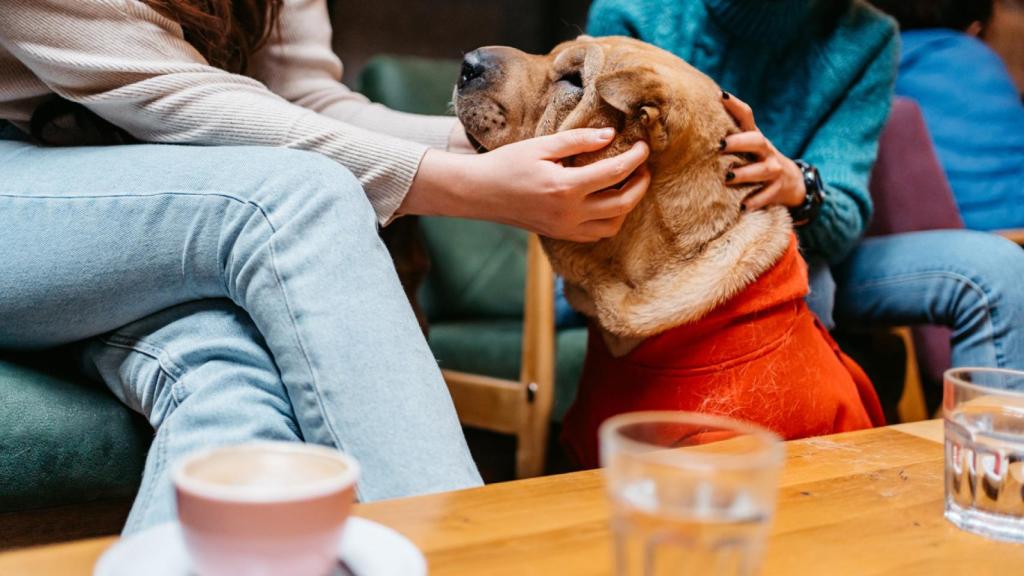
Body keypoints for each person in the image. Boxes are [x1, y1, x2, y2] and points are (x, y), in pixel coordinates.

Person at [0, 0, 652, 534]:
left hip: (143, 200)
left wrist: (494, 144)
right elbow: (171, 97)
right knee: (301, 198)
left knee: (232, 380)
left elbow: (304, 98)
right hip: (27, 186)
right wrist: (466, 185)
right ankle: (462, 555)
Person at [575, 0, 1024, 389]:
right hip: (670, 252)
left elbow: (843, 215)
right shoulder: (635, 12)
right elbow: (599, 182)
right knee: (804, 279)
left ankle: (993, 479)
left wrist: (799, 186)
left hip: (816, 246)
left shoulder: (866, 37)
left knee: (998, 268)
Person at [871, 0, 1024, 231]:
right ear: (975, 28)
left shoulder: (877, 60)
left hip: (951, 234)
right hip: (1016, 227)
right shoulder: (985, 60)